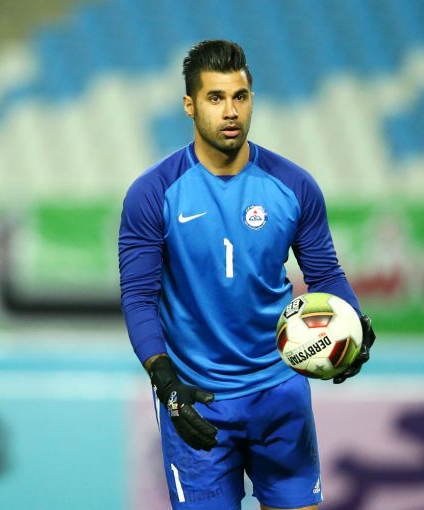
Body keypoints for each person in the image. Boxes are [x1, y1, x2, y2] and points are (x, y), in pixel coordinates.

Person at [119, 40, 375, 510]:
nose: (230, 111)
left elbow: (325, 273)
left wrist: (354, 323)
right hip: (197, 398)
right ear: (189, 105)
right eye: (215, 98)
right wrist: (166, 383)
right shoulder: (153, 193)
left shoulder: (294, 185)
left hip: (279, 391)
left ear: (252, 99)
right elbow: (138, 298)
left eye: (240, 96)